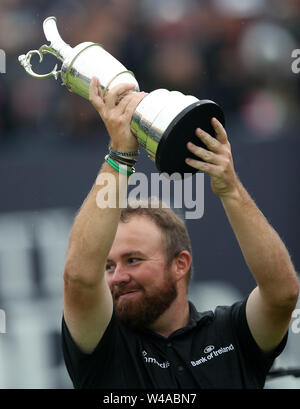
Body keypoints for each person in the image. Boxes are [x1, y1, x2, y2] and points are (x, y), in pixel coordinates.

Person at [61, 77, 299, 389]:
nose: (117, 276)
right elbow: (79, 277)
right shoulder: (104, 346)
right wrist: (120, 155)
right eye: (109, 265)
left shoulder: (231, 334)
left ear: (180, 264)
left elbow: (283, 293)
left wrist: (230, 189)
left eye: (133, 260)